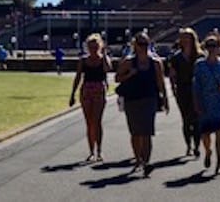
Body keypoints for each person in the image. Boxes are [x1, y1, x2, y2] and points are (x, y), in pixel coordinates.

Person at [115, 32, 169, 177]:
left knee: (147, 132)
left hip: (149, 99)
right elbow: (117, 78)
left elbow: (161, 82)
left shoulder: (156, 62)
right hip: (132, 100)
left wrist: (165, 100)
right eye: (140, 44)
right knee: (135, 132)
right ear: (135, 46)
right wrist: (129, 74)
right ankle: (138, 158)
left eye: (146, 44)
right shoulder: (128, 61)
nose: (143, 47)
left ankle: (146, 162)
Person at [193, 33, 220, 175]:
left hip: (219, 101)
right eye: (208, 46)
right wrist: (197, 104)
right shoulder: (200, 65)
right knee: (205, 133)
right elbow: (196, 86)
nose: (211, 48)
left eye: (214, 45)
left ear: (219, 47)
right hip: (204, 101)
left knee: (219, 132)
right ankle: (208, 151)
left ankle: (219, 162)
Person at [69, 34, 112, 162]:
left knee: (97, 121)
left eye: (95, 46)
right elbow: (78, 77)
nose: (93, 49)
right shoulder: (83, 60)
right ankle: (91, 151)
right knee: (89, 122)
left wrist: (103, 55)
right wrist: (72, 94)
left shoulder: (103, 59)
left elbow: (108, 69)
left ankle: (99, 150)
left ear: (100, 46)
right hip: (86, 90)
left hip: (99, 89)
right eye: (90, 46)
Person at [169, 28, 202, 157]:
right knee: (186, 119)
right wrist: (173, 89)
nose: (186, 40)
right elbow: (172, 75)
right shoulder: (176, 57)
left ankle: (197, 145)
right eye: (183, 38)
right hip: (183, 89)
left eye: (188, 37)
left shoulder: (200, 56)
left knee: (197, 119)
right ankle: (188, 145)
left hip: (197, 90)